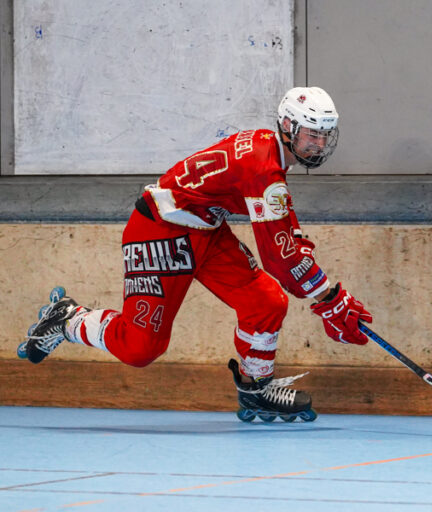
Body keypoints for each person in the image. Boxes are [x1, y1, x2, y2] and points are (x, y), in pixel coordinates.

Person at [21, 86, 373, 421]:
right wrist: (330, 299)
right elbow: (279, 259)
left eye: (325, 135)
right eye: (311, 133)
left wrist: (322, 289)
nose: (319, 143)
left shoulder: (268, 154)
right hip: (161, 231)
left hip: (206, 231)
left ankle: (256, 388)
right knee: (140, 348)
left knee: (266, 302)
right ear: (286, 126)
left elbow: (282, 226)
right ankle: (68, 319)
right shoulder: (264, 168)